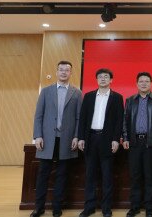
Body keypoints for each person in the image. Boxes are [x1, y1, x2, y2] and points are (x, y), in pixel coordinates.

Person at [30, 60, 82, 217]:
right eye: (61, 70)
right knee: (43, 175)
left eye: (67, 70)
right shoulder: (46, 91)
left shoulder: (77, 93)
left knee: (62, 175)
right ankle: (39, 207)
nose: (64, 72)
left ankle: (57, 208)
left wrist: (76, 136)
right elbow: (38, 116)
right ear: (56, 71)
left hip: (66, 140)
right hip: (47, 140)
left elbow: (79, 118)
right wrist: (37, 135)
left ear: (71, 73)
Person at [77, 68, 124, 217]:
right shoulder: (89, 96)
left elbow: (119, 121)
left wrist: (116, 139)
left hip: (107, 140)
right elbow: (83, 118)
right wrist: (81, 138)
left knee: (107, 176)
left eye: (106, 77)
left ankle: (106, 208)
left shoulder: (117, 97)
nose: (103, 79)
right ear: (96, 80)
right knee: (90, 175)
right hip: (91, 138)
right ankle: (89, 207)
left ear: (111, 80)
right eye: (100, 77)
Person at [122, 72, 152, 217]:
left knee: (150, 176)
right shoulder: (130, 100)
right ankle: (134, 207)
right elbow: (125, 121)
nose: (144, 83)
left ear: (151, 84)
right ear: (137, 84)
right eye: (141, 81)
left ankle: (149, 207)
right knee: (135, 176)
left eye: (147, 81)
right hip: (134, 143)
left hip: (150, 142)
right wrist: (126, 138)